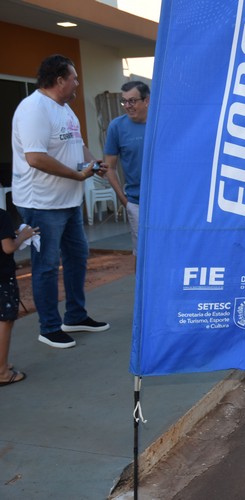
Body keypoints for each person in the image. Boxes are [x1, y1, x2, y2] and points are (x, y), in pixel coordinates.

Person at [11, 54, 110, 349]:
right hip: (41, 203)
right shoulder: (33, 109)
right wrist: (76, 176)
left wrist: (93, 164)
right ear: (59, 81)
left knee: (77, 257)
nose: (77, 83)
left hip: (67, 201)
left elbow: (76, 144)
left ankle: (75, 316)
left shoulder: (65, 109)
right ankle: (49, 327)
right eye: (74, 78)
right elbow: (35, 157)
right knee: (46, 265)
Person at [104, 81, 150, 255]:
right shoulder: (117, 126)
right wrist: (125, 201)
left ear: (146, 101)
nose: (128, 106)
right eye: (124, 101)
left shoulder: (161, 122)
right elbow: (109, 167)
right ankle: (141, 284)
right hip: (136, 203)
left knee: (168, 251)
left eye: (132, 101)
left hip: (164, 203)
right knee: (142, 253)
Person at [0, 214, 38, 386]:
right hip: (2, 277)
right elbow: (8, 247)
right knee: (5, 321)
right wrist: (22, 236)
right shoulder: (1, 215)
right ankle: (2, 372)